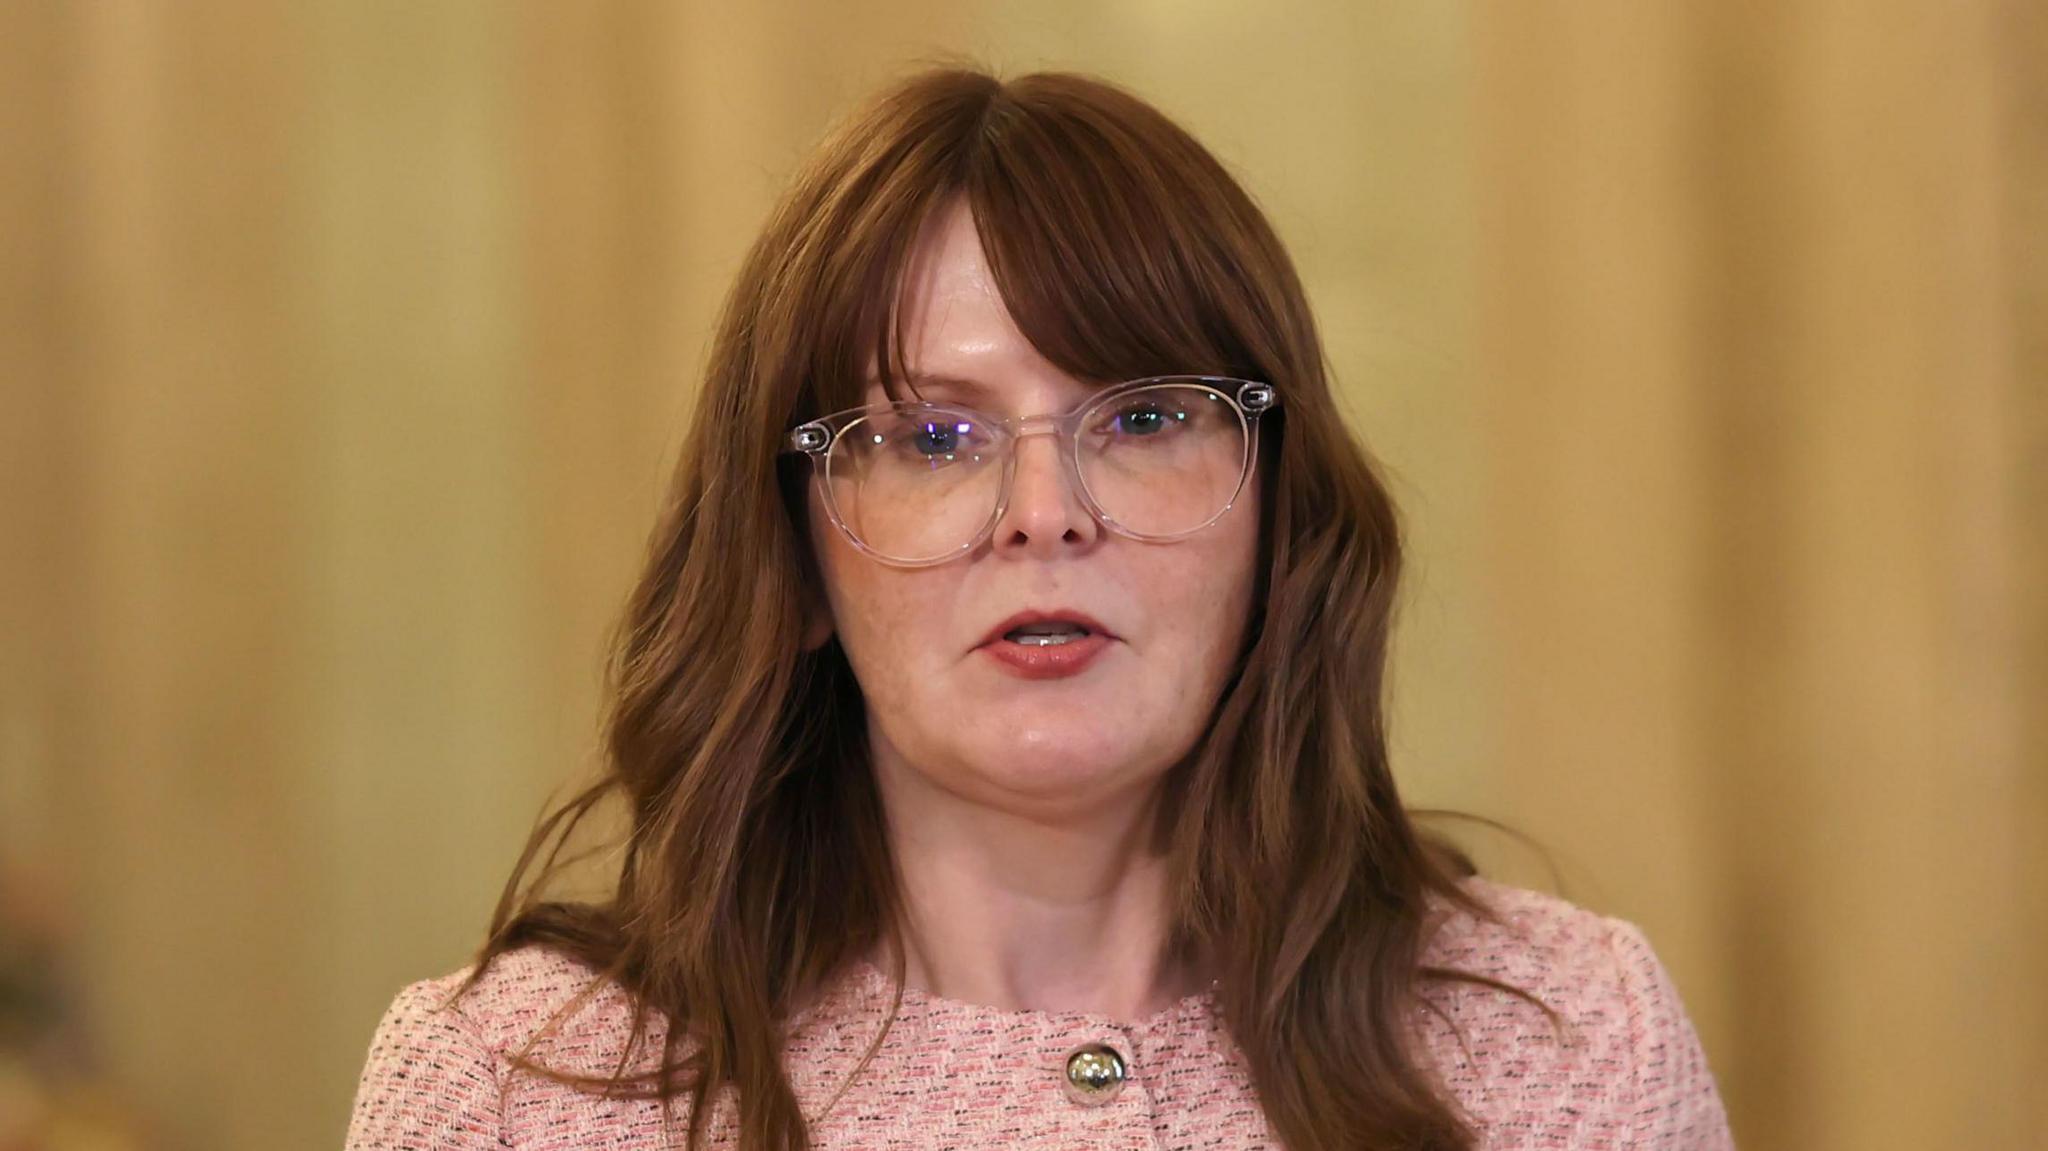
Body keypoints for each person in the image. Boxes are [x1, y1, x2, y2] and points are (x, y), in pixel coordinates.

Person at [343, 66, 1734, 1150]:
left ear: (1274, 515)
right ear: (799, 557)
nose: (1044, 511)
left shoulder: (1570, 1045)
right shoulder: (517, 1094)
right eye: (932, 438)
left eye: (1139, 419)